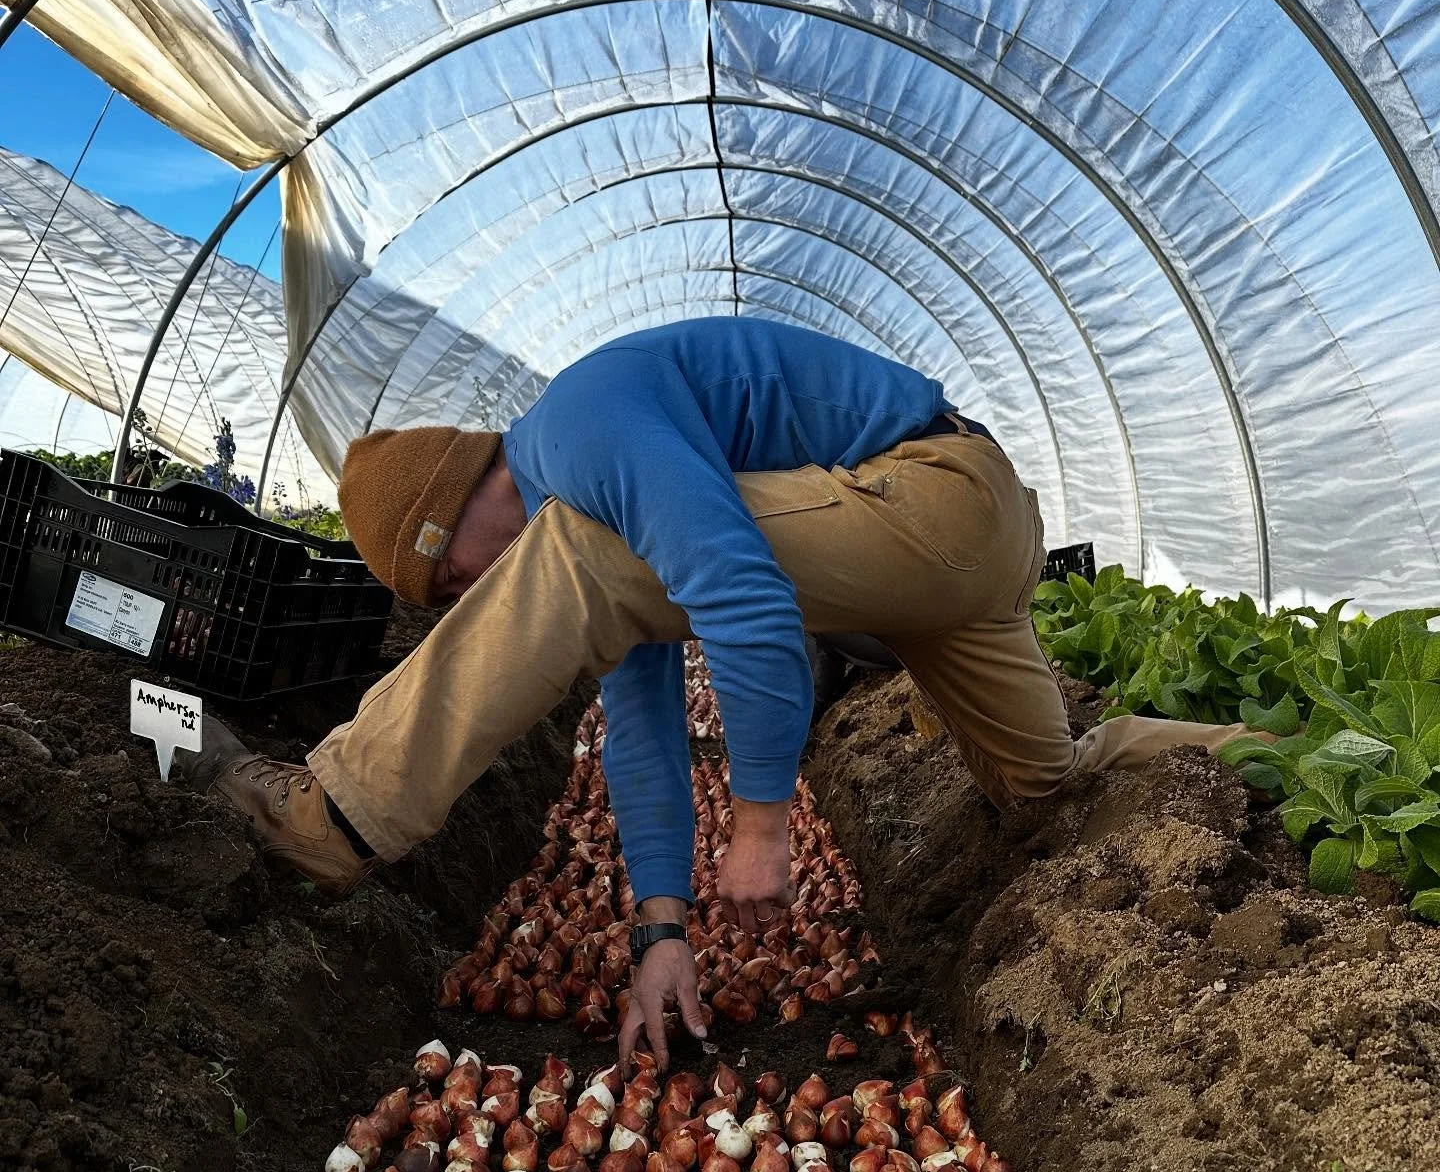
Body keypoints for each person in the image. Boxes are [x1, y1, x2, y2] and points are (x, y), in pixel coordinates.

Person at [212, 317, 1256, 1069]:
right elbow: (646, 725)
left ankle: (337, 808)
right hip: (966, 541)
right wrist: (662, 931)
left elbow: (743, 591)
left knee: (579, 557)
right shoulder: (608, 499)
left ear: (458, 509)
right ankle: (1251, 756)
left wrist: (759, 821)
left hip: (936, 501)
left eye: (451, 578)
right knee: (1047, 782)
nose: (477, 596)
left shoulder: (573, 432)